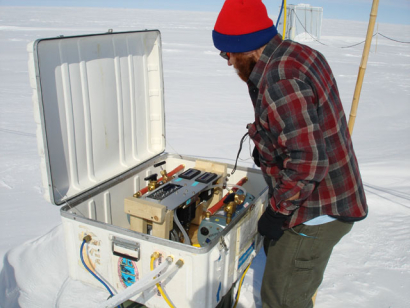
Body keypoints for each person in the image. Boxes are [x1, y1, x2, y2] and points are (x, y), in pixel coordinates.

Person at [212, 0, 368, 307]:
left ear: (246, 46)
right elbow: (302, 133)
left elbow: (307, 162)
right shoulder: (297, 54)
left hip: (315, 212)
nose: (228, 62)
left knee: (281, 299)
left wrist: (277, 212)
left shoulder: (278, 80)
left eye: (228, 53)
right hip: (326, 195)